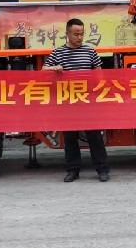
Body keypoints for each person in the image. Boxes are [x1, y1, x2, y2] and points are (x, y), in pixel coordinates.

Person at [42, 18, 110, 183]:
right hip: (68, 101)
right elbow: (43, 71)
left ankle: (102, 169)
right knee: (70, 137)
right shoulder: (58, 53)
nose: (79, 37)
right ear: (67, 34)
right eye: (76, 34)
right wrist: (54, 68)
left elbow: (99, 73)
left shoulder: (89, 51)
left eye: (81, 34)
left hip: (87, 100)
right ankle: (73, 170)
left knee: (95, 136)